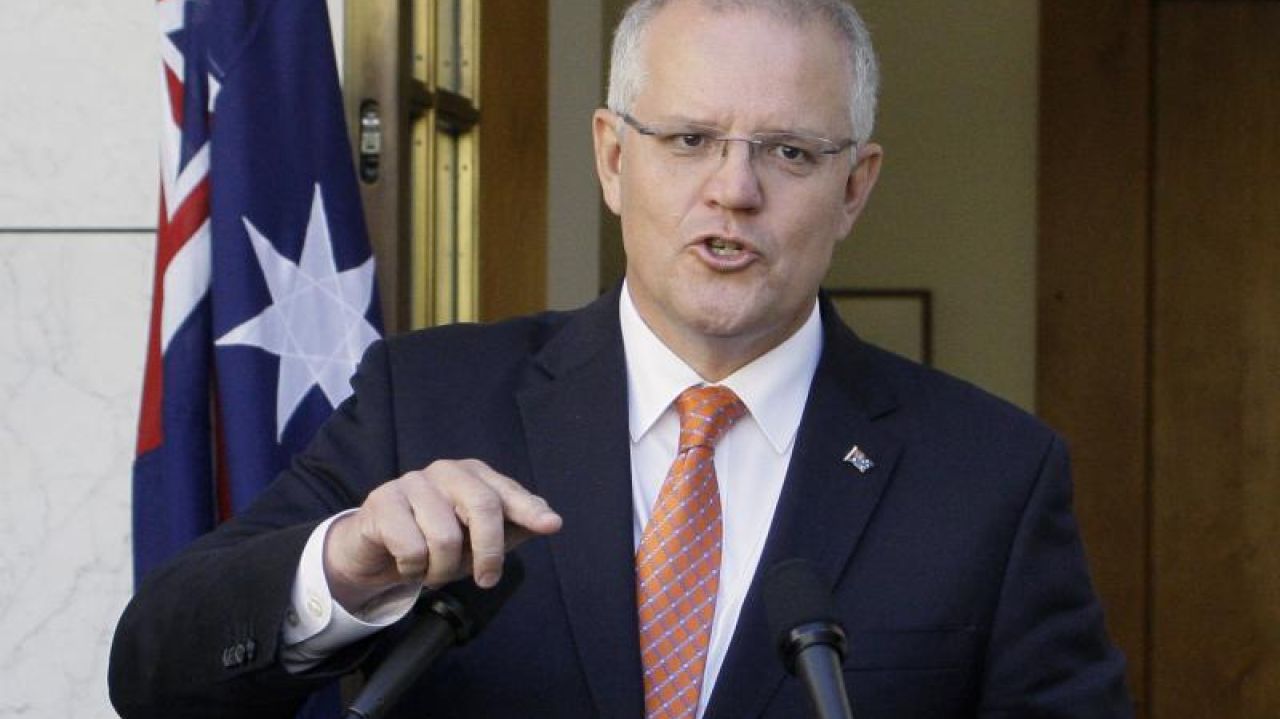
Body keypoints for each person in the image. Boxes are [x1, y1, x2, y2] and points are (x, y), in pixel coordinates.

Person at [109, 0, 1133, 717]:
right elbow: (154, 668)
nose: (733, 190)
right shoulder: (425, 401)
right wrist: (344, 565)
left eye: (788, 151)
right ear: (611, 156)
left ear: (854, 188)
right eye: (688, 139)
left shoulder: (991, 475)